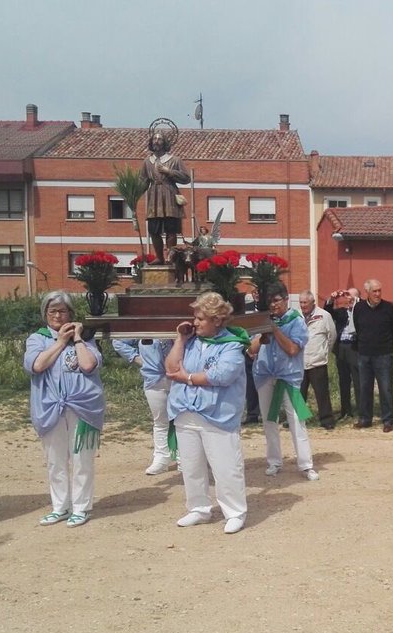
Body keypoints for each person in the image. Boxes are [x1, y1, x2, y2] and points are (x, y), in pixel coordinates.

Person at [165, 292, 251, 533]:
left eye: (201, 318)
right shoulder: (190, 340)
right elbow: (171, 368)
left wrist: (188, 378)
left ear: (217, 320)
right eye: (195, 317)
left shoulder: (233, 344)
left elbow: (222, 376)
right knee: (192, 466)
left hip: (217, 415)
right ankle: (199, 508)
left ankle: (234, 512)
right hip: (185, 411)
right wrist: (180, 340)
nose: (195, 322)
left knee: (226, 467)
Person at [24, 290, 103, 529]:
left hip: (83, 407)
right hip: (50, 407)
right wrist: (59, 342)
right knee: (55, 460)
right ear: (45, 314)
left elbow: (89, 365)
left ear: (71, 314)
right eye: (53, 311)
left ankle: (81, 507)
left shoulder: (86, 339)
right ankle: (60, 506)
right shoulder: (37, 339)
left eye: (63, 311)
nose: (58, 315)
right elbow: (37, 365)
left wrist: (77, 339)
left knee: (82, 459)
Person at [252, 283, 318, 481]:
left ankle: (306, 465)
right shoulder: (263, 319)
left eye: (276, 301)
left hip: (288, 377)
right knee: (269, 421)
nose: (273, 305)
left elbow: (292, 350)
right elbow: (251, 350)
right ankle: (274, 461)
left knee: (297, 420)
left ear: (286, 299)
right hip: (264, 375)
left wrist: (275, 330)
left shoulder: (296, 321)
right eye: (269, 302)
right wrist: (264, 332)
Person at [113, 338, 175, 474]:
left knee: (182, 421)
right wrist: (136, 358)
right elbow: (118, 341)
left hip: (179, 378)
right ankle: (161, 458)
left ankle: (183, 458)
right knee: (160, 421)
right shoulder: (145, 327)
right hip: (153, 379)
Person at [353, 279, 393, 432]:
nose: (378, 294)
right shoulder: (359, 308)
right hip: (364, 355)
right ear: (367, 292)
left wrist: (385, 346)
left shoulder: (388, 308)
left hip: (384, 354)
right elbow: (358, 328)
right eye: (375, 291)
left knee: (385, 389)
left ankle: (388, 420)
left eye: (379, 290)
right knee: (364, 388)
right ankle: (365, 419)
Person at [140, 129, 191, 264]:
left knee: (171, 229)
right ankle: (159, 257)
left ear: (165, 142)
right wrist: (133, 196)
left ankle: (170, 257)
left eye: (160, 139)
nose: (156, 141)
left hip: (169, 194)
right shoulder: (147, 162)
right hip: (154, 198)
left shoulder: (174, 160)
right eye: (154, 139)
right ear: (151, 142)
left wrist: (169, 172)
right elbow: (143, 181)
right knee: (153, 230)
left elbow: (186, 178)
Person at [298, 291, 337, 430]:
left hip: (317, 360)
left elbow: (332, 335)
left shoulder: (324, 315)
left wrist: (324, 351)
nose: (303, 306)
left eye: (305, 303)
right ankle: (298, 418)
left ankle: (327, 419)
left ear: (313, 302)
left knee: (322, 393)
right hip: (300, 361)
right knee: (298, 393)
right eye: (301, 303)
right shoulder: (296, 316)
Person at [325, 287, 360, 420]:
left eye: (351, 296)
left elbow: (361, 306)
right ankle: (346, 410)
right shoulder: (342, 312)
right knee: (343, 380)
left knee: (358, 380)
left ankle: (362, 410)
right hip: (341, 348)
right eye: (347, 296)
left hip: (354, 348)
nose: (348, 299)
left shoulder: (360, 311)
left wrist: (355, 302)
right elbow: (328, 312)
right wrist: (332, 299)